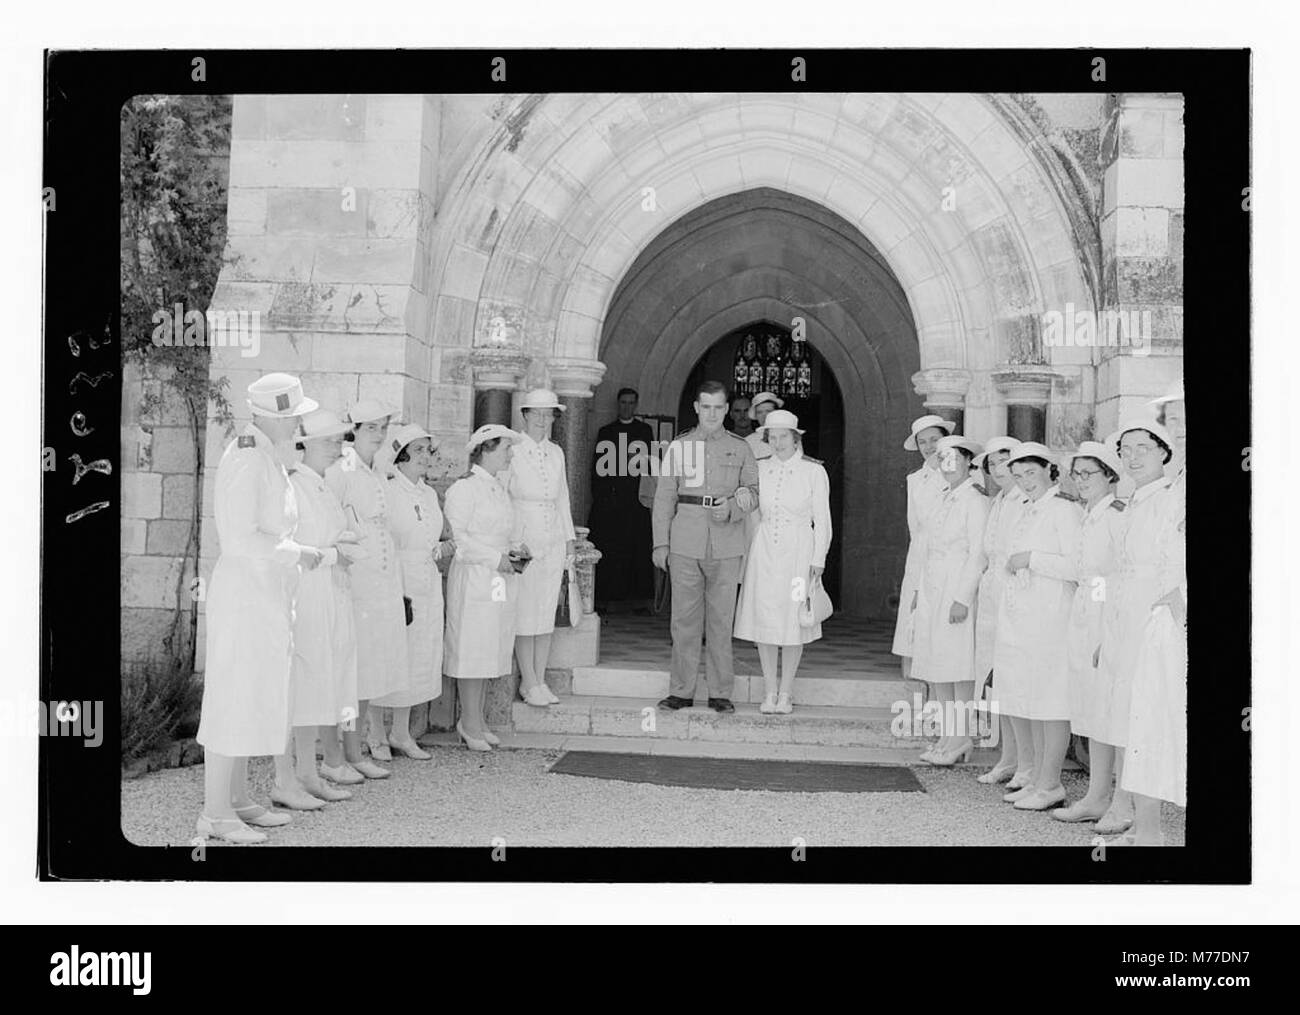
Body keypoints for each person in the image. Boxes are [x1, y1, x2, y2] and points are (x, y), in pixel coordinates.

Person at [195, 373, 323, 844]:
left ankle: (238, 799)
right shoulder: (249, 457)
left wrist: (292, 554)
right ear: (274, 416)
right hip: (246, 593)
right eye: (294, 416)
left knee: (253, 695)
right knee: (234, 696)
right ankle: (214, 813)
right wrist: (301, 553)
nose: (299, 423)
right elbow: (241, 538)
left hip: (265, 593)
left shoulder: (266, 454)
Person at [274, 408, 362, 810]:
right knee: (303, 682)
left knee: (323, 681)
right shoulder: (294, 485)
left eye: (340, 440)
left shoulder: (324, 485)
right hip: (307, 594)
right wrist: (334, 554)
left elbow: (334, 532)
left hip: (332, 591)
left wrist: (343, 544)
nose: (337, 448)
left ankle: (310, 771)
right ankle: (290, 776)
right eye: (329, 441)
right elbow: (291, 549)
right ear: (305, 443)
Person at [653, 380, 759, 713]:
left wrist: (732, 509)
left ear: (727, 409)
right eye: (706, 406)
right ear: (697, 408)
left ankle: (720, 692)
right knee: (683, 620)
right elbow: (664, 497)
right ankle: (681, 690)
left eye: (719, 407)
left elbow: (754, 493)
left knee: (720, 620)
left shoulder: (741, 447)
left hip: (726, 542)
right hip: (685, 539)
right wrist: (660, 544)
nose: (712, 413)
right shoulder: (679, 447)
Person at [1039, 441, 1128, 822]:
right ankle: (1096, 796)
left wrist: (1103, 625)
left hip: (1105, 618)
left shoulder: (1116, 516)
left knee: (1111, 713)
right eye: (1077, 474)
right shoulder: (1088, 514)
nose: (1081, 481)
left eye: (1089, 473)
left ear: (1109, 475)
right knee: (1092, 713)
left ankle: (1122, 803)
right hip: (1084, 614)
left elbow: (1117, 576)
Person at [994, 442, 1083, 811]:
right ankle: (1034, 777)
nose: (1025, 482)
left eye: (1031, 473)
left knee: (1049, 700)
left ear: (1050, 470)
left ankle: (1050, 784)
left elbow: (1077, 566)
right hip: (1021, 617)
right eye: (1017, 476)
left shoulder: (1064, 510)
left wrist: (1032, 558)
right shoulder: (1024, 510)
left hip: (1051, 618)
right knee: (1025, 696)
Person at [1112, 400, 1187, 844]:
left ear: (1163, 452)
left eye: (1143, 447)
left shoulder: (1168, 496)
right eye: (1126, 449)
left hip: (1159, 623)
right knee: (1132, 722)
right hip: (1130, 621)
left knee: (1152, 723)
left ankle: (1151, 831)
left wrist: (1175, 604)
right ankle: (1142, 826)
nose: (1133, 456)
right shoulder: (1136, 500)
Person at [325, 400, 407, 778]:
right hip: (355, 576)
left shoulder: (378, 470)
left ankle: (356, 750)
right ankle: (343, 753)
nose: (378, 433)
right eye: (371, 427)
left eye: (383, 427)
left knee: (371, 662)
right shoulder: (343, 467)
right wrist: (343, 551)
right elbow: (329, 515)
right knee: (352, 664)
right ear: (355, 428)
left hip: (380, 576)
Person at [733, 410, 832, 713]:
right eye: (771, 437)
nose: (776, 443)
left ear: (795, 437)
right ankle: (769, 690)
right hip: (765, 551)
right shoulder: (760, 468)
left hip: (799, 553)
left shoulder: (813, 471)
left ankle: (786, 691)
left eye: (783, 436)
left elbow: (823, 519)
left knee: (793, 620)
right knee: (764, 618)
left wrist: (819, 559)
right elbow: (750, 507)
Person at [368, 424, 454, 760]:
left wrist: (442, 550)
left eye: (428, 450)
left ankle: (401, 733)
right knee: (390, 653)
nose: (425, 457)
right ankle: (375, 733)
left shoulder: (429, 495)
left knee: (418, 655)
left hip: (426, 581)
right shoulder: (387, 492)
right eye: (418, 450)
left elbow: (431, 539)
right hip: (397, 579)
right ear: (401, 456)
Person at [444, 425, 525, 750]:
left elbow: (507, 529)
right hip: (475, 576)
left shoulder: (498, 488)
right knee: (472, 647)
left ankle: (476, 718)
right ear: (487, 449)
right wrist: (494, 558)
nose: (510, 454)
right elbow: (459, 538)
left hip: (498, 577)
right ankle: (470, 722)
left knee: (490, 646)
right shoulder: (464, 489)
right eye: (506, 448)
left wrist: (518, 552)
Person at [910, 435, 989, 765]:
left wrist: (962, 598)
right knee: (937, 665)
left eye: (954, 458)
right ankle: (946, 736)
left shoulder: (974, 499)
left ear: (968, 461)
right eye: (942, 458)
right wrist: (919, 590)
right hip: (933, 586)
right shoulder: (943, 496)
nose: (947, 464)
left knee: (957, 667)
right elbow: (926, 547)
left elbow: (977, 553)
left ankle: (960, 738)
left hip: (956, 587)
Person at [507, 389, 576, 707]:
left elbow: (562, 497)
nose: (542, 420)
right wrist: (510, 542)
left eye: (548, 414)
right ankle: (528, 681)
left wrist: (568, 541)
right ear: (525, 415)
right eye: (536, 413)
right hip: (521, 537)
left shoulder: (557, 452)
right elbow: (505, 496)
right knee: (524, 608)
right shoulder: (513, 450)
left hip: (551, 536)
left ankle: (541, 677)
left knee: (546, 610)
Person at [970, 436, 1026, 783]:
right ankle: (1008, 757)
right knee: (995, 678)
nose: (997, 469)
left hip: (1015, 595)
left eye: (1004, 462)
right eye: (991, 464)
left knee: (1014, 680)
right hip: (992, 593)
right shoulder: (997, 501)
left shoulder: (1024, 501)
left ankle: (1024, 762)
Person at [891, 414, 955, 680]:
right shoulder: (915, 479)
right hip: (920, 558)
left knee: (944, 633)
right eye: (923, 442)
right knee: (912, 628)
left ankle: (940, 703)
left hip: (950, 559)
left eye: (934, 440)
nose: (929, 447)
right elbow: (914, 525)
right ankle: (916, 700)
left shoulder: (965, 476)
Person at [588, 387, 655, 610]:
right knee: (611, 548)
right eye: (623, 403)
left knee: (637, 550)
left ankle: (638, 600)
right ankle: (608, 598)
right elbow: (598, 468)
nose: (626, 407)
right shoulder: (607, 432)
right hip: (612, 501)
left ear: (636, 405)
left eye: (630, 403)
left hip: (636, 500)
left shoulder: (645, 431)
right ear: (618, 404)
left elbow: (650, 466)